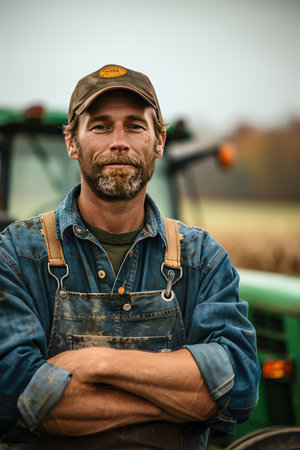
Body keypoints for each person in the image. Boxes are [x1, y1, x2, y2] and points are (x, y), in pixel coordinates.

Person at [0, 64, 260, 449]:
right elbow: (12, 391)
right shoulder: (17, 255)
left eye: (135, 126)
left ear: (159, 142)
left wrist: (95, 364)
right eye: (101, 126)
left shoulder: (203, 259)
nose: (118, 141)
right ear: (72, 142)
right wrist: (184, 398)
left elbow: (238, 386)